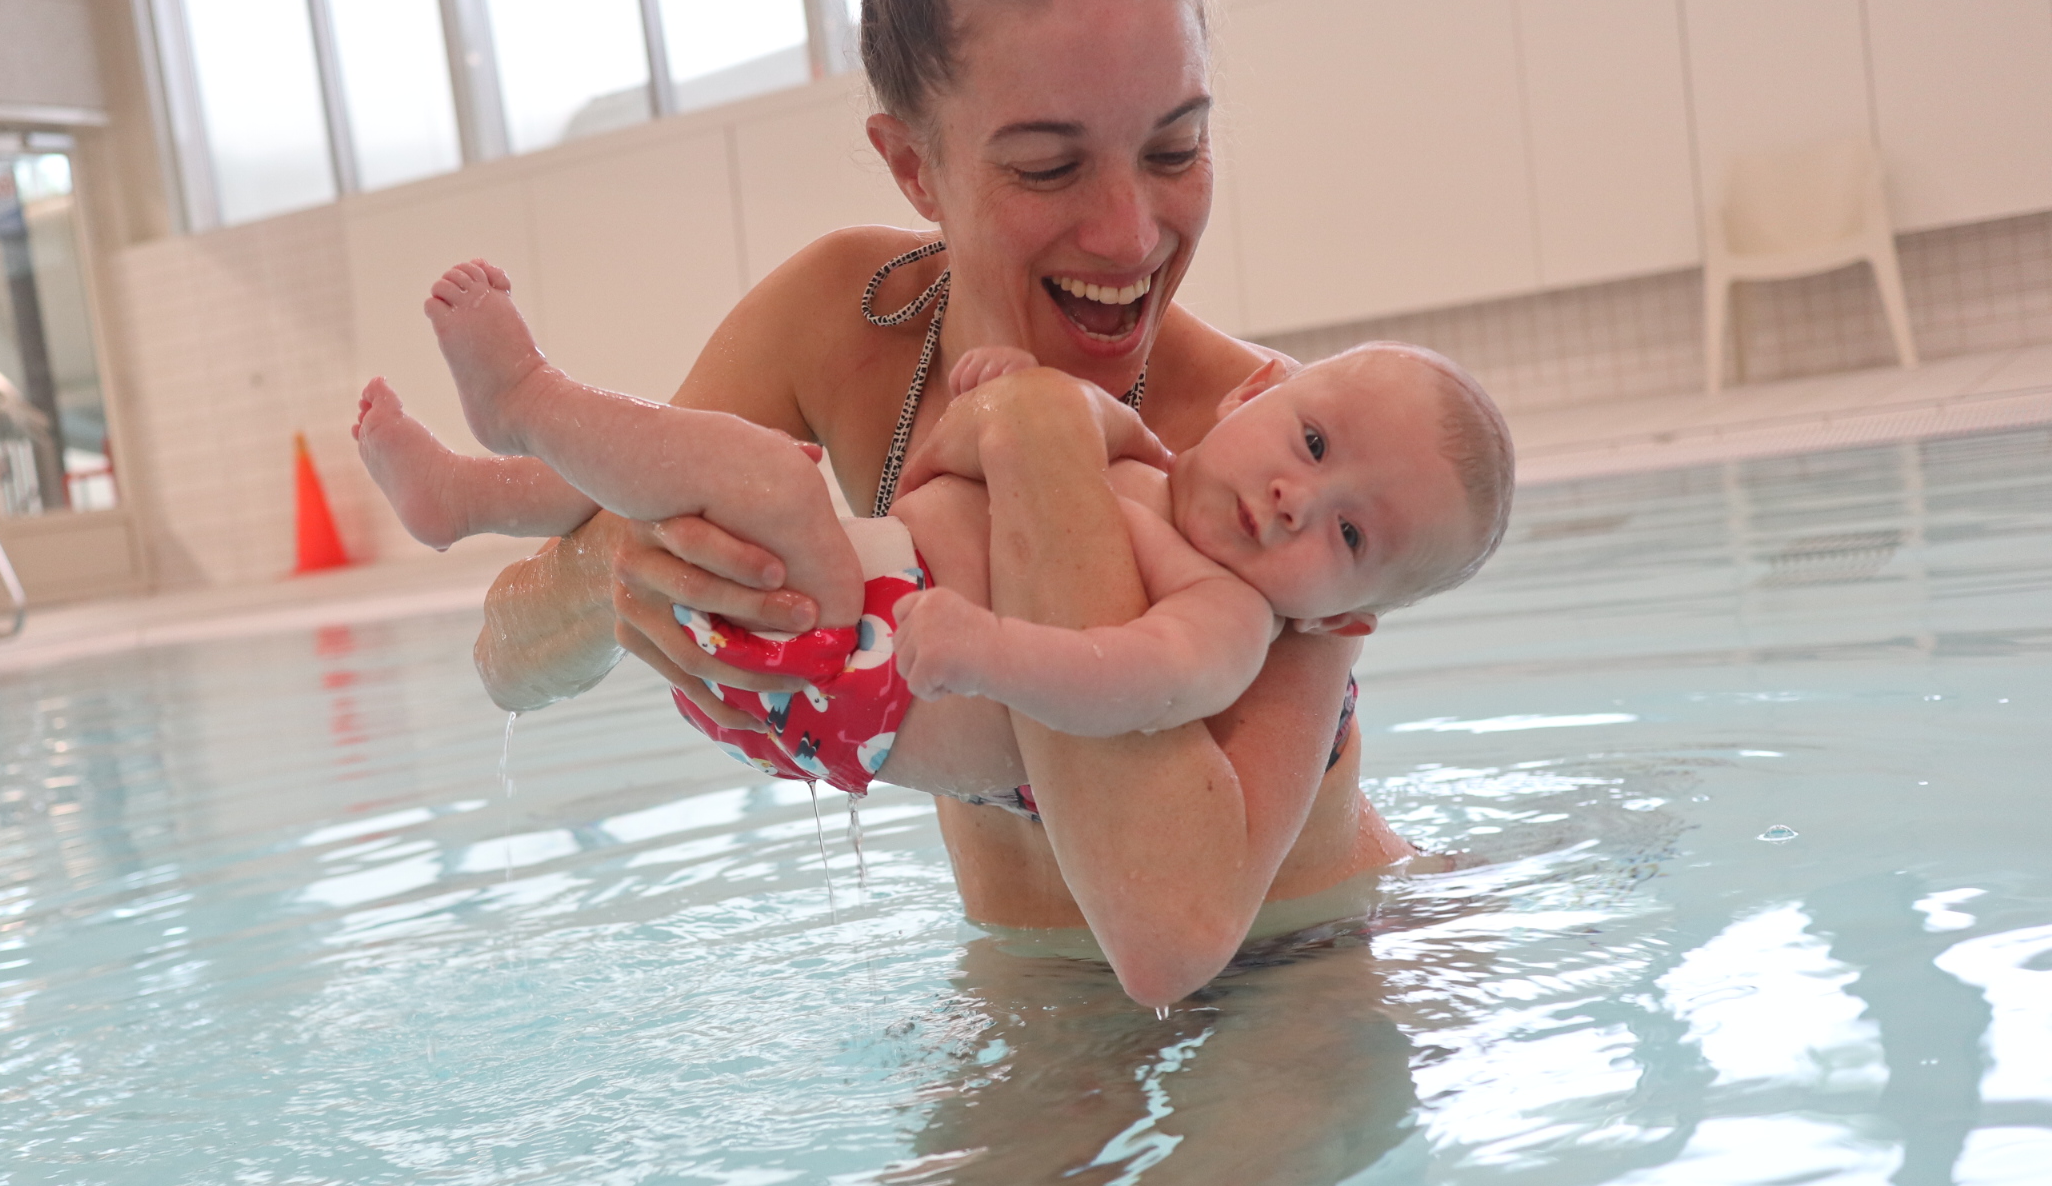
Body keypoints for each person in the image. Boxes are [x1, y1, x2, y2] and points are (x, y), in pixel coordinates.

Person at [408, 0, 1477, 1007]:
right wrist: (620, 565)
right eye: (1049, 166)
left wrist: (1037, 432)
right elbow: (508, 655)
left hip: (1306, 975)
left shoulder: (1283, 469)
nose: (1130, 235)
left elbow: (1173, 918)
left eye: (1175, 150)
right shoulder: (842, 327)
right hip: (1029, 994)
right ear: (914, 164)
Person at [355, 263, 1510, 814]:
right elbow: (1050, 423)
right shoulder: (1145, 462)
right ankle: (472, 492)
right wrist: (1007, 391)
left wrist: (984, 650)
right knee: (698, 473)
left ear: (1343, 617)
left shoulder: (1229, 615)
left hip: (871, 680)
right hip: (828, 630)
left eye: (1348, 531)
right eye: (1311, 442)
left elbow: (1127, 680)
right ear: (1258, 390)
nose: (1299, 499)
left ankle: (526, 398)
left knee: (757, 476)